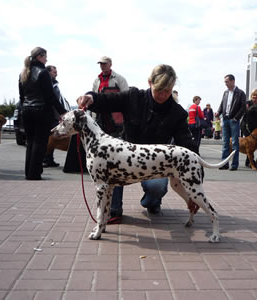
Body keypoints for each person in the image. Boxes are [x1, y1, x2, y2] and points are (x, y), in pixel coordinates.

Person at [77, 64, 197, 217]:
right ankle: (113, 209)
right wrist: (91, 98)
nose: (162, 95)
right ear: (149, 82)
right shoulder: (133, 96)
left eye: (167, 91)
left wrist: (194, 172)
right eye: (158, 90)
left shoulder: (177, 113)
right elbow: (108, 100)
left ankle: (152, 202)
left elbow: (186, 143)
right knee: (110, 165)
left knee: (158, 187)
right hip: (125, 157)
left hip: (154, 163)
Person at [18, 47, 66, 180]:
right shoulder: (43, 73)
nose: (46, 59)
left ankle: (29, 172)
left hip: (26, 111)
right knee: (40, 143)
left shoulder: (23, 73)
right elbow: (50, 96)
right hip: (41, 111)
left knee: (31, 142)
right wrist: (63, 112)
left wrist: (24, 108)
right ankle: (35, 173)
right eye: (45, 57)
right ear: (40, 57)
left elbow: (21, 96)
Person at [92, 56, 129, 220]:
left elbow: (127, 99)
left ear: (110, 64)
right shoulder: (96, 80)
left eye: (104, 64)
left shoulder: (119, 79)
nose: (102, 66)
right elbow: (93, 101)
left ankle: (115, 209)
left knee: (116, 169)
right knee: (103, 171)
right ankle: (108, 208)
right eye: (100, 64)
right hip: (101, 126)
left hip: (117, 128)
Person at [215, 74, 246, 171]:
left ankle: (234, 164)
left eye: (227, 81)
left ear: (233, 81)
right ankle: (224, 163)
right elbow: (222, 104)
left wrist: (236, 118)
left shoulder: (240, 93)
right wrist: (218, 112)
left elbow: (243, 107)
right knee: (225, 142)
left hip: (233, 120)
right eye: (225, 82)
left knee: (235, 143)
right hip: (225, 119)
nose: (225, 84)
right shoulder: (225, 93)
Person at [42, 65, 71, 168]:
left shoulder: (54, 84)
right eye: (54, 72)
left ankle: (50, 159)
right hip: (51, 116)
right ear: (48, 72)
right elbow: (53, 101)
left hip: (55, 115)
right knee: (50, 138)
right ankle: (45, 159)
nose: (56, 73)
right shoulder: (49, 85)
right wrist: (60, 114)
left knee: (53, 137)